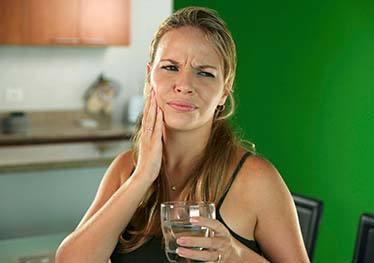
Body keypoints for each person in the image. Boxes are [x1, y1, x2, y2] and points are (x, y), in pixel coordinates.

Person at [56, 6, 310, 263]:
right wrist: (143, 176)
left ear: (224, 90)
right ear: (149, 77)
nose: (185, 85)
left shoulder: (256, 179)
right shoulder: (126, 169)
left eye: (204, 73)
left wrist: (236, 254)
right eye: (170, 67)